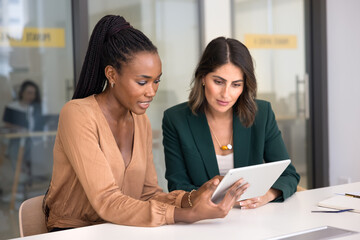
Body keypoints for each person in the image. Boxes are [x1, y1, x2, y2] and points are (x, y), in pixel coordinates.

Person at [43, 16, 248, 231]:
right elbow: (107, 200)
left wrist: (194, 197)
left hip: (122, 228)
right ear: (111, 74)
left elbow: (148, 195)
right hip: (75, 231)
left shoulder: (140, 120)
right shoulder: (77, 115)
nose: (151, 92)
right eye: (142, 82)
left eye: (156, 81)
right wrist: (186, 214)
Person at [162, 37, 300, 210]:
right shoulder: (176, 120)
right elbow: (177, 188)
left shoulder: (261, 114)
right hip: (202, 221)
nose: (226, 94)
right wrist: (215, 197)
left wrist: (266, 195)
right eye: (218, 82)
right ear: (203, 77)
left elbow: (289, 175)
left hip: (253, 219)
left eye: (236, 84)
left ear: (244, 86)